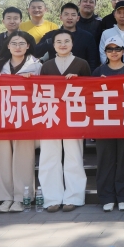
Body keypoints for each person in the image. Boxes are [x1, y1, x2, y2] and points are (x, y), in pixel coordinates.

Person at [39, 30, 92, 212]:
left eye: (66, 41)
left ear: (72, 43)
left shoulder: (81, 64)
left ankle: (74, 197)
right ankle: (51, 198)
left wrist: (79, 81)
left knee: (73, 156)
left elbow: (90, 90)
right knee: (49, 157)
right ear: (53, 45)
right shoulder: (46, 66)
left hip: (73, 117)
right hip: (50, 116)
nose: (63, 44)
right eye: (59, 41)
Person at [0, 31, 40, 214]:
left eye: (22, 43)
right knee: (1, 157)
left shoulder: (37, 66)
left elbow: (46, 90)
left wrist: (32, 81)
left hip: (26, 117)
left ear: (28, 46)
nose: (18, 47)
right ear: (8, 46)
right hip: (2, 116)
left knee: (24, 158)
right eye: (14, 43)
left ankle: (21, 197)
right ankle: (5, 197)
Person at [93, 40, 124, 212]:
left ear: (123, 51)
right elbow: (89, 97)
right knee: (105, 160)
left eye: (117, 49)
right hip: (104, 123)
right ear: (105, 52)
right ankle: (106, 196)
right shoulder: (98, 72)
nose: (114, 52)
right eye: (110, 49)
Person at [36, 3, 100, 71]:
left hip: (79, 75)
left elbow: (93, 61)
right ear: (61, 17)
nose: (70, 18)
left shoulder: (87, 37)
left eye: (73, 15)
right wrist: (49, 43)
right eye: (66, 14)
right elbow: (36, 53)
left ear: (78, 18)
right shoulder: (50, 35)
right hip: (54, 74)